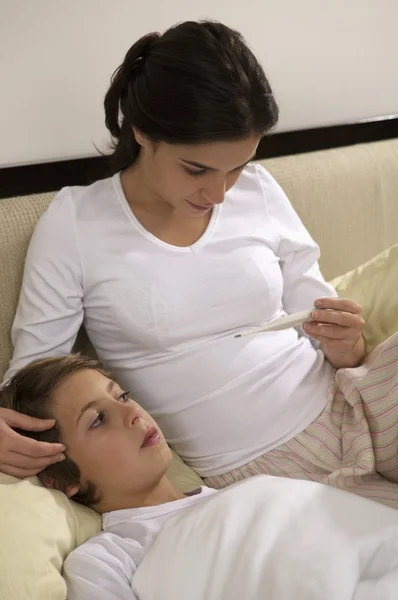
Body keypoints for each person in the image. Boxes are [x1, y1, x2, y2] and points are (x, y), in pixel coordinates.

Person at [0, 20, 397, 504]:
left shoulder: (260, 190)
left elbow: (329, 329)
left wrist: (347, 343)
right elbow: (33, 379)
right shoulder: (75, 224)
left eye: (236, 167)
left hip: (358, 400)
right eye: (197, 170)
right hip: (265, 469)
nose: (219, 193)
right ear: (143, 132)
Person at [2, 354, 398, 600]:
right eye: (98, 419)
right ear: (63, 480)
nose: (133, 413)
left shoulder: (243, 496)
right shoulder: (110, 559)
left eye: (121, 396)